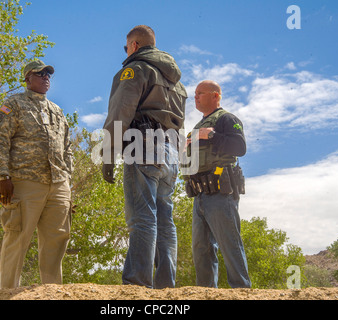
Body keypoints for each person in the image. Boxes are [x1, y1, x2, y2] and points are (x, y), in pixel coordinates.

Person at [101, 25, 187, 288]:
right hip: (170, 152)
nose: (125, 52)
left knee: (142, 216)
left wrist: (107, 154)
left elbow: (120, 112)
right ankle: (164, 286)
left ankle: (137, 284)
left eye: (126, 47)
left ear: (134, 45)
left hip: (144, 146)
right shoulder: (177, 82)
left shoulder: (135, 69)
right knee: (164, 219)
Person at [0, 60, 73, 288]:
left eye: (48, 74)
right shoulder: (13, 104)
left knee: (57, 239)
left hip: (58, 184)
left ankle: (52, 291)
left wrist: (68, 185)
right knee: (17, 237)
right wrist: (3, 176)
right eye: (40, 73)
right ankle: (7, 291)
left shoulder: (57, 110)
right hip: (25, 181)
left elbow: (67, 149)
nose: (46, 76)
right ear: (27, 78)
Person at [183, 80, 251, 288]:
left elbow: (239, 147)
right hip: (199, 196)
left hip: (221, 193)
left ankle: (241, 291)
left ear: (216, 96)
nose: (195, 97)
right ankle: (206, 293)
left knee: (229, 244)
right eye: (194, 94)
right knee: (201, 249)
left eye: (200, 93)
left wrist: (210, 135)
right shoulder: (196, 126)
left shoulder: (227, 119)